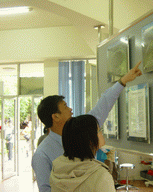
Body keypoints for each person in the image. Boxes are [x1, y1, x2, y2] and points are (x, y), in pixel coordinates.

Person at [32, 61, 142, 192]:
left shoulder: (80, 131)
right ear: (55, 117)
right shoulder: (42, 154)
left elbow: (103, 105)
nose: (71, 109)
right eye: (66, 107)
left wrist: (122, 81)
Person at [50, 114, 115, 192]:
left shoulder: (56, 168)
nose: (102, 134)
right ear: (90, 140)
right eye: (99, 130)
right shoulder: (101, 176)